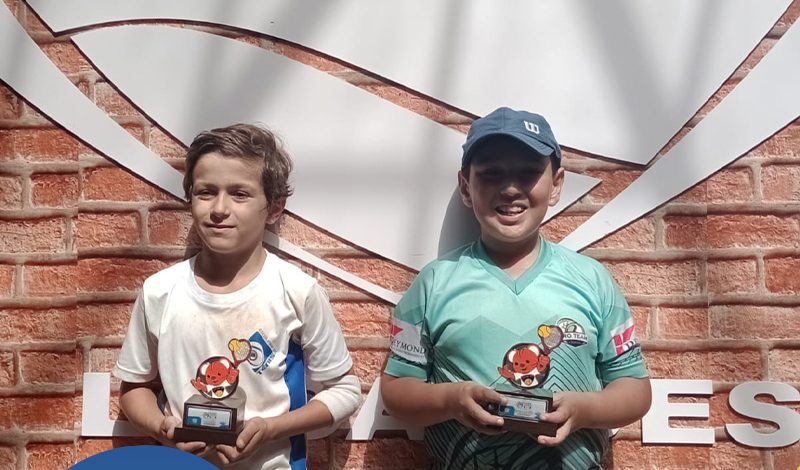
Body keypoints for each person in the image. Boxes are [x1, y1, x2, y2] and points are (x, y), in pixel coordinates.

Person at [380, 107, 651, 469]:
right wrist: (452, 400)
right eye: (491, 174)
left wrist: (584, 409)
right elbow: (397, 390)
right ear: (466, 186)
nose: (510, 189)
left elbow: (635, 389)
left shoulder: (593, 280)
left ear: (556, 185)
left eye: (528, 173)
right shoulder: (433, 284)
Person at [114, 123, 361, 469]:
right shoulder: (159, 291)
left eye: (240, 194)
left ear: (274, 208)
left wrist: (271, 428)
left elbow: (345, 391)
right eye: (206, 192)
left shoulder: (297, 291)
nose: (219, 208)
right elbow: (133, 388)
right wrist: (161, 428)